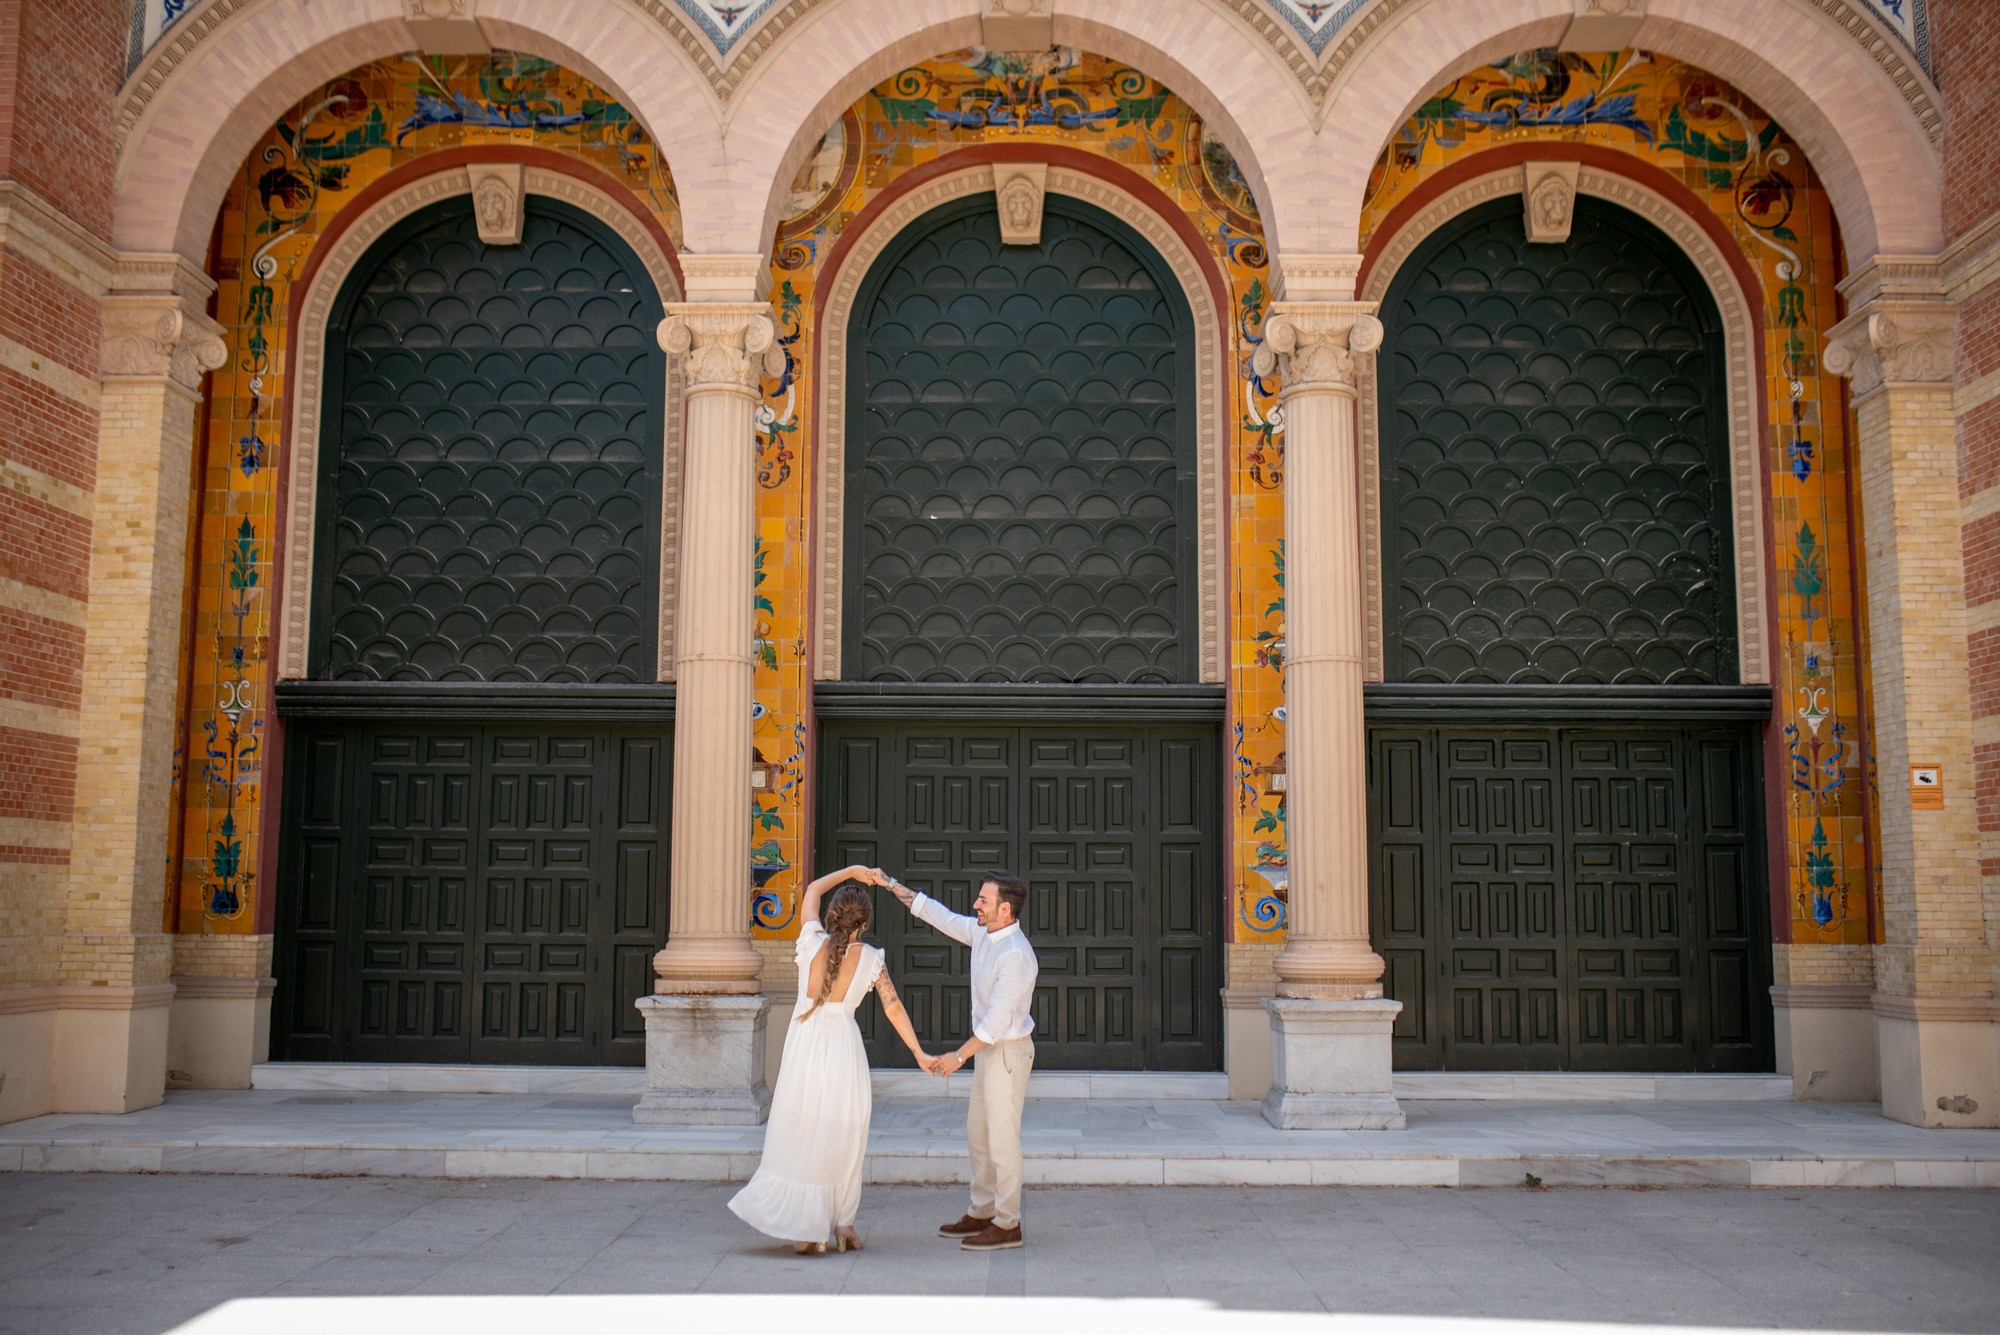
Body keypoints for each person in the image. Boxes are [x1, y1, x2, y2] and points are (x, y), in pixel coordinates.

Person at [728, 864, 936, 1255]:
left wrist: (853, 872)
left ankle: (807, 1229)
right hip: (843, 1049)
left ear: (831, 916)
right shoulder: (872, 958)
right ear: (866, 922)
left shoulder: (810, 942)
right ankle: (842, 1223)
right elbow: (893, 1008)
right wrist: (919, 1053)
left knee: (802, 1129)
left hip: (803, 1049)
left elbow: (811, 890)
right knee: (844, 1134)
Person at [886, 870, 1038, 1252]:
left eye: (983, 901)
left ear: (1005, 909)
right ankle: (982, 1211)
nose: (975, 906)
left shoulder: (1016, 955)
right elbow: (938, 915)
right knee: (979, 1136)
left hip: (1006, 1052)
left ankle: (1008, 1223)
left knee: (1002, 1141)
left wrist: (955, 1058)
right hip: (988, 1053)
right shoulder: (983, 934)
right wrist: (890, 884)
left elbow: (995, 1025)